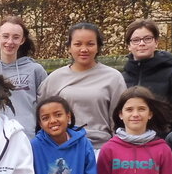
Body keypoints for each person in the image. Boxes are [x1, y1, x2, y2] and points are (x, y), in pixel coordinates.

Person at [38, 22, 126, 151]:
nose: (84, 49)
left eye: (90, 44)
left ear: (98, 47)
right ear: (69, 47)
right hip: (64, 148)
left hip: (101, 148)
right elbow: (43, 116)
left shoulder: (113, 78)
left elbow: (119, 120)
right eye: (78, 44)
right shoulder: (54, 79)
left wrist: (117, 149)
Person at [121, 19, 172, 123]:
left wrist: (169, 137)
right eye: (136, 40)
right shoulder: (120, 78)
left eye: (147, 39)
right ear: (129, 46)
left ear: (156, 42)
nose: (142, 43)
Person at [0, 15, 48, 135]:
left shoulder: (35, 70)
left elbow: (47, 106)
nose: (10, 42)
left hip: (29, 137)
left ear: (22, 40)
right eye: (5, 36)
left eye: (16, 37)